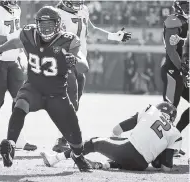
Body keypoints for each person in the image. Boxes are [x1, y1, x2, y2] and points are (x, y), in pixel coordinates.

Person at [0, 6, 92, 172]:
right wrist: (0, 49)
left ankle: (77, 155)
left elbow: (85, 67)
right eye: (42, 24)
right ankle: (10, 144)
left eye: (50, 24)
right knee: (20, 104)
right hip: (34, 87)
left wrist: (74, 61)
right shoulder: (29, 34)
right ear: (36, 24)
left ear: (59, 24)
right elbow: (17, 42)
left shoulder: (69, 40)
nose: (45, 28)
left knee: (76, 138)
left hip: (58, 94)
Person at [53, 0, 132, 153]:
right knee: (71, 98)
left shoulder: (83, 9)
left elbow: (92, 29)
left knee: (74, 103)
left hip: (80, 60)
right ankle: (60, 140)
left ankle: (63, 138)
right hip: (65, 60)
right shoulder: (57, 14)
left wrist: (115, 37)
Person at [41, 102, 182, 172]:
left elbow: (117, 129)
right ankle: (104, 165)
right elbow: (165, 168)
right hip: (141, 165)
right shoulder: (176, 134)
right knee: (124, 152)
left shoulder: (151, 110)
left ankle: (55, 159)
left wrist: (113, 142)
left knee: (93, 142)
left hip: (127, 151)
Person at [0, 0, 36, 151]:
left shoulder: (15, 8)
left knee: (21, 98)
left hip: (13, 59)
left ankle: (18, 139)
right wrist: (16, 37)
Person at [160, 0, 189, 135]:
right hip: (173, 71)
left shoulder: (186, 22)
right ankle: (161, 147)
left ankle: (175, 136)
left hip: (183, 72)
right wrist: (182, 68)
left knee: (169, 110)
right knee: (168, 110)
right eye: (185, 5)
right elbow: (172, 50)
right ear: (177, 6)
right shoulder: (173, 20)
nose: (188, 8)